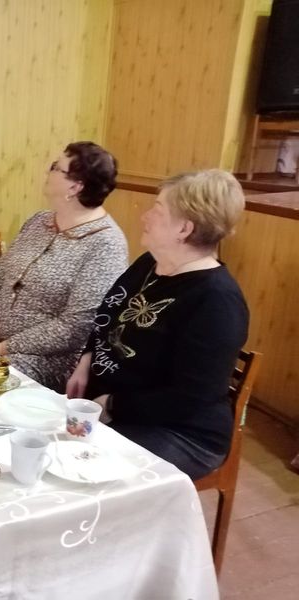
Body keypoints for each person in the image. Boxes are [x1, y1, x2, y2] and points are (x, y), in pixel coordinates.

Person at [66, 169, 249, 480]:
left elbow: (188, 399)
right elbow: (107, 318)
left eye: (157, 209)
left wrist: (112, 404)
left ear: (184, 228)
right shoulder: (150, 263)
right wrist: (87, 360)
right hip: (114, 406)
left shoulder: (217, 302)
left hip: (180, 432)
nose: (145, 216)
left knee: (80, 470)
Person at [0, 142, 127, 391]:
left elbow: (76, 327)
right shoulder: (39, 220)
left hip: (50, 360)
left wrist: (3, 348)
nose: (48, 171)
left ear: (75, 187)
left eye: (56, 167)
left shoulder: (106, 244)